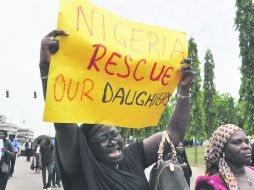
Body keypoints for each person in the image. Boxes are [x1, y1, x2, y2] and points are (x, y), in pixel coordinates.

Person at [39, 30, 194, 190]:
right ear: (87, 147)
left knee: (171, 169)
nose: (113, 141)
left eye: (115, 134)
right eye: (103, 138)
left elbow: (173, 134)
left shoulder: (132, 156)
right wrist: (46, 69)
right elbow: (63, 124)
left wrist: (183, 88)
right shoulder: (81, 166)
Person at [195, 124, 254, 190]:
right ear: (222, 150)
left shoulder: (252, 170)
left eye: (247, 142)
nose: (246, 146)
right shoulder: (210, 185)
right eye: (237, 142)